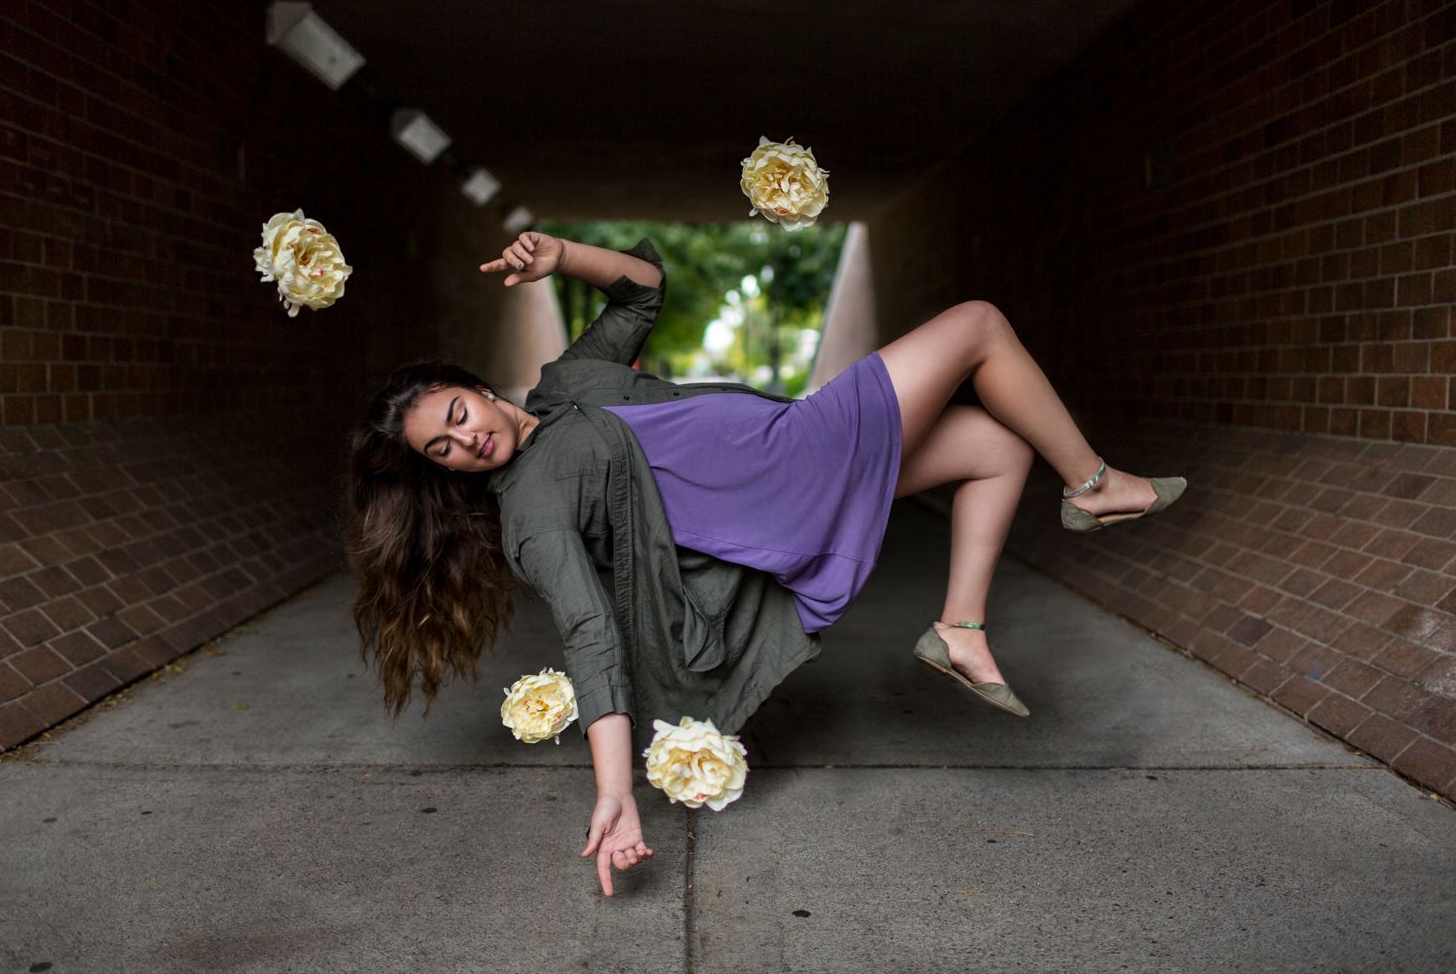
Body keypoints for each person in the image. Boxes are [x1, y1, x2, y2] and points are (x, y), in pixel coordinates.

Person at [343, 232, 1185, 897]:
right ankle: (1097, 485)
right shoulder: (529, 507)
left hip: (785, 443)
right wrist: (615, 786)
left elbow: (640, 287)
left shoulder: (567, 384)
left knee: (997, 446)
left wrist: (561, 255)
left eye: (457, 415)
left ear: (481, 386)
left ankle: (960, 629)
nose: (465, 441)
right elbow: (590, 632)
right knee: (978, 324)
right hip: (793, 465)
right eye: (442, 450)